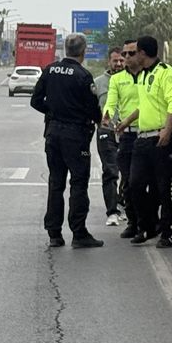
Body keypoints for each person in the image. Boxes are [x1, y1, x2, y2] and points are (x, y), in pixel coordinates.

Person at [30, 33, 104, 249]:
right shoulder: (83, 75)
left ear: (65, 49)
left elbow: (35, 101)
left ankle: (54, 233)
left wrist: (53, 112)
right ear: (84, 51)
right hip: (76, 136)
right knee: (78, 183)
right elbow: (92, 108)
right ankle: (79, 233)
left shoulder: (50, 70)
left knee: (56, 182)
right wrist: (98, 122)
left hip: (53, 133)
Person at [117, 36, 172, 248]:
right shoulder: (144, 76)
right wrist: (126, 121)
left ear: (143, 53)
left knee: (164, 189)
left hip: (163, 139)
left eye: (134, 53)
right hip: (142, 140)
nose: (131, 56)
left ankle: (168, 232)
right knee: (134, 185)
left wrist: (168, 129)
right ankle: (146, 226)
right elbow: (144, 105)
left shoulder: (165, 73)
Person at [103, 40, 146, 238]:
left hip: (149, 133)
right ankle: (134, 222)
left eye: (131, 54)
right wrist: (107, 114)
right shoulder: (117, 79)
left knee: (150, 183)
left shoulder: (151, 76)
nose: (126, 58)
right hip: (127, 135)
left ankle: (152, 222)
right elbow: (111, 102)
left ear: (141, 55)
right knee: (129, 182)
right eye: (124, 54)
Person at [93, 47, 125, 226]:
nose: (119, 64)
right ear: (109, 62)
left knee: (129, 174)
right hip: (107, 133)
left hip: (128, 133)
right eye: (115, 61)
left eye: (121, 60)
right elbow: (91, 108)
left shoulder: (132, 81)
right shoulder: (98, 83)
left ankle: (123, 203)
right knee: (111, 171)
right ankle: (112, 211)